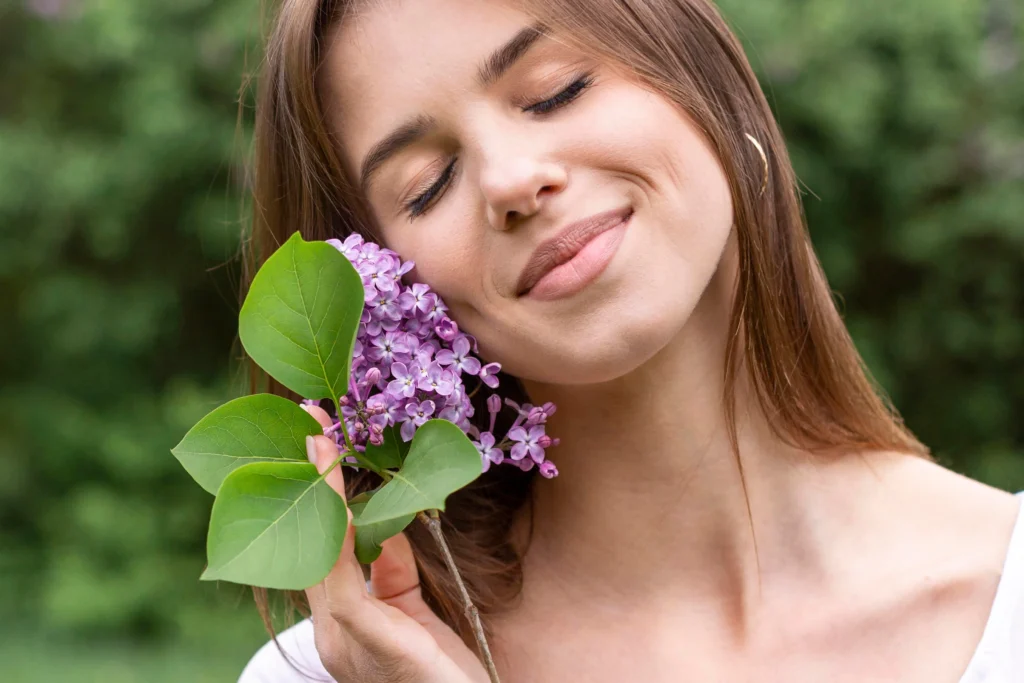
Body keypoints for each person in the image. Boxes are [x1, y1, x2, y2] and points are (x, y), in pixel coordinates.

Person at [236, 0, 1023, 681]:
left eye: (555, 91)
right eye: (428, 184)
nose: (512, 179)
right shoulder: (353, 672)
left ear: (702, 74)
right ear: (380, 292)